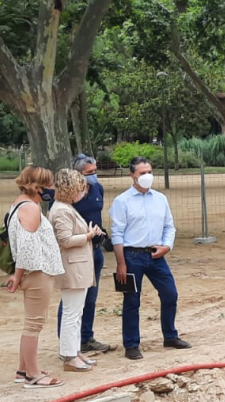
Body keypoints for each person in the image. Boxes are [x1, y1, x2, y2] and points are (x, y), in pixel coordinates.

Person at [110, 156, 191, 360]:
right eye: (142, 173)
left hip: (156, 255)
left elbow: (169, 226)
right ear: (132, 175)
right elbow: (117, 233)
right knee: (131, 300)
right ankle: (131, 344)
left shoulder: (160, 199)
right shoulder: (122, 201)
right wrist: (121, 263)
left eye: (149, 172)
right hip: (131, 256)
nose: (147, 176)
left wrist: (167, 246)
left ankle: (170, 335)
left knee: (170, 294)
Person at [4, 166, 66, 388]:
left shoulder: (19, 204)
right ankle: (33, 374)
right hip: (37, 273)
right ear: (37, 187)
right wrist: (17, 275)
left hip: (33, 272)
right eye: (49, 185)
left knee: (32, 322)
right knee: (34, 324)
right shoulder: (30, 209)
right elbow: (27, 249)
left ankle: (23, 369)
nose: (52, 189)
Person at [56, 154, 114, 354]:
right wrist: (87, 235)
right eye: (89, 173)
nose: (94, 176)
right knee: (71, 299)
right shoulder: (65, 201)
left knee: (90, 297)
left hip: (95, 251)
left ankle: (86, 338)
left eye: (95, 171)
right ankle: (67, 343)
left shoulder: (98, 188)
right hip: (77, 252)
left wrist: (101, 235)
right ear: (77, 175)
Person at [50, 169, 103, 372]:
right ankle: (69, 356)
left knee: (76, 312)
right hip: (72, 267)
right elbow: (64, 240)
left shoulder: (65, 207)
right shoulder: (62, 210)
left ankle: (74, 351)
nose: (84, 192)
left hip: (77, 266)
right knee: (72, 313)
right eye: (81, 188)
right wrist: (88, 236)